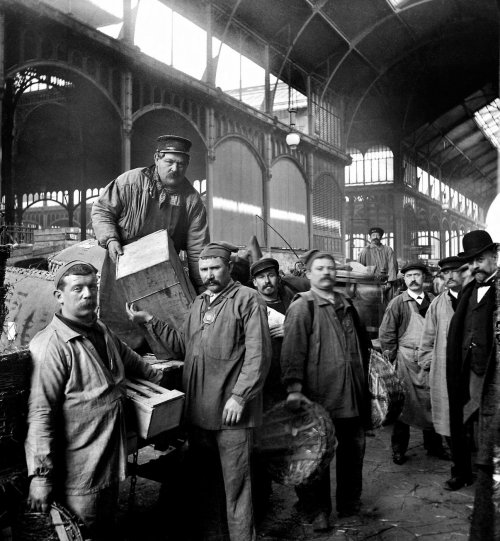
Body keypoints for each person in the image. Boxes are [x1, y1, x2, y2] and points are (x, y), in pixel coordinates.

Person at [126, 241, 271, 541]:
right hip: (199, 413)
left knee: (237, 490)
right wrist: (149, 321)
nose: (209, 275)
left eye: (215, 268)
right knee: (207, 486)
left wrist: (240, 396)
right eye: (204, 269)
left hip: (232, 414)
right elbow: (183, 345)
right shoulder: (199, 303)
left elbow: (259, 355)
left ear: (228, 267)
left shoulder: (248, 299)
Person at [25, 261, 163, 540]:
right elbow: (41, 413)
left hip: (109, 462)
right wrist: (40, 476)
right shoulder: (52, 345)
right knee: (82, 531)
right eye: (78, 288)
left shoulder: (99, 329)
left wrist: (161, 380)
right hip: (81, 471)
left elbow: (129, 357)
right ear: (59, 296)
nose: (88, 294)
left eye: (92, 287)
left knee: (106, 528)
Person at [280, 250, 371, 530]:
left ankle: (349, 506)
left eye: (331, 268)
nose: (326, 272)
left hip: (351, 395)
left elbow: (363, 345)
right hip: (319, 398)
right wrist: (294, 389)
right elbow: (292, 352)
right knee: (315, 457)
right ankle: (316, 511)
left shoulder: (346, 303)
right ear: (308, 274)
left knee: (353, 453)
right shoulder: (302, 306)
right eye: (319, 268)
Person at [91, 134, 210, 348]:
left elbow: (197, 249)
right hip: (122, 259)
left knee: (160, 322)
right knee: (119, 319)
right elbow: (102, 210)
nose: (175, 168)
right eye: (170, 162)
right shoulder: (131, 182)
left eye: (181, 163)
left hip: (163, 269)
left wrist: (202, 288)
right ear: (157, 158)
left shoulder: (191, 200)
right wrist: (110, 239)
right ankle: (118, 355)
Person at [379, 261, 447, 465]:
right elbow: (387, 334)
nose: (413, 279)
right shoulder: (398, 303)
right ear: (404, 279)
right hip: (406, 362)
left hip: (431, 361)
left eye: (417, 275)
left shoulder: (435, 300)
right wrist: (390, 361)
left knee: (431, 403)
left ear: (424, 278)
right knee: (404, 407)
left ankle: (434, 447)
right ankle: (399, 449)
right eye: (409, 276)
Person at [446, 230, 497, 497]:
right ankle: (463, 471)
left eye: (480, 259)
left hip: (491, 374)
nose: (475, 266)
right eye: (472, 261)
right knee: (463, 421)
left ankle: (491, 484)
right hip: (465, 369)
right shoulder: (468, 291)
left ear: (494, 256)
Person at [418, 256, 465, 442]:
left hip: (470, 372)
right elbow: (427, 338)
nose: (450, 276)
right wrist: (429, 364)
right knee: (448, 421)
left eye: (455, 271)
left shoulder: (474, 299)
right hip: (445, 373)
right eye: (445, 272)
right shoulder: (437, 304)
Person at [358, 227, 398, 295]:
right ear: (370, 237)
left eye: (377, 235)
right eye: (373, 235)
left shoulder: (388, 250)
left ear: (381, 237)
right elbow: (360, 267)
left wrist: (389, 282)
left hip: (386, 282)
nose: (375, 237)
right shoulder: (365, 251)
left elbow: (392, 265)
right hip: (369, 283)